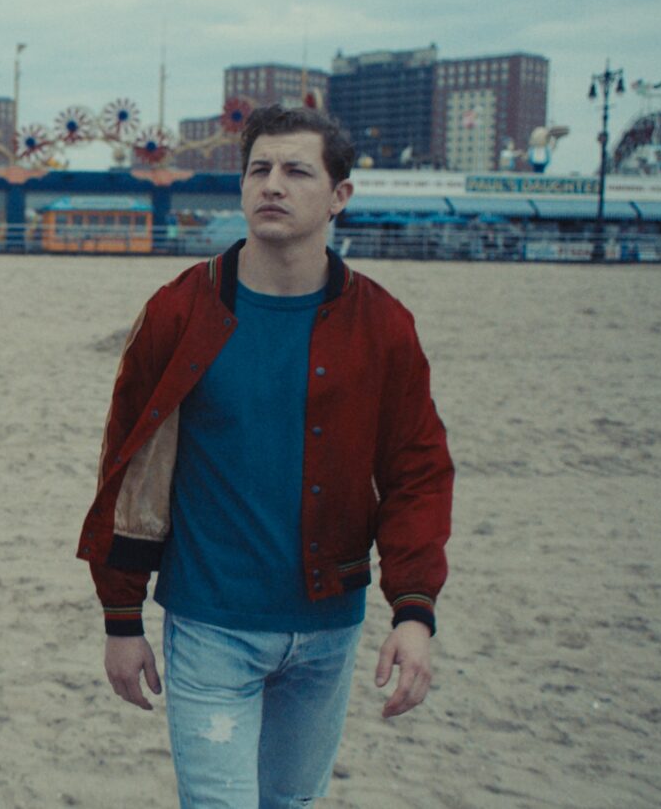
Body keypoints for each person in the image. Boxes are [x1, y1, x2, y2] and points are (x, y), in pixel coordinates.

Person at [76, 104, 453, 808]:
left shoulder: (381, 324)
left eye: (297, 171)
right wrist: (121, 618)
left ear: (339, 195)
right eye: (259, 169)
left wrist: (413, 610)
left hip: (329, 628)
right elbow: (126, 466)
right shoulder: (181, 310)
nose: (272, 184)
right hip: (209, 623)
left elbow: (417, 472)